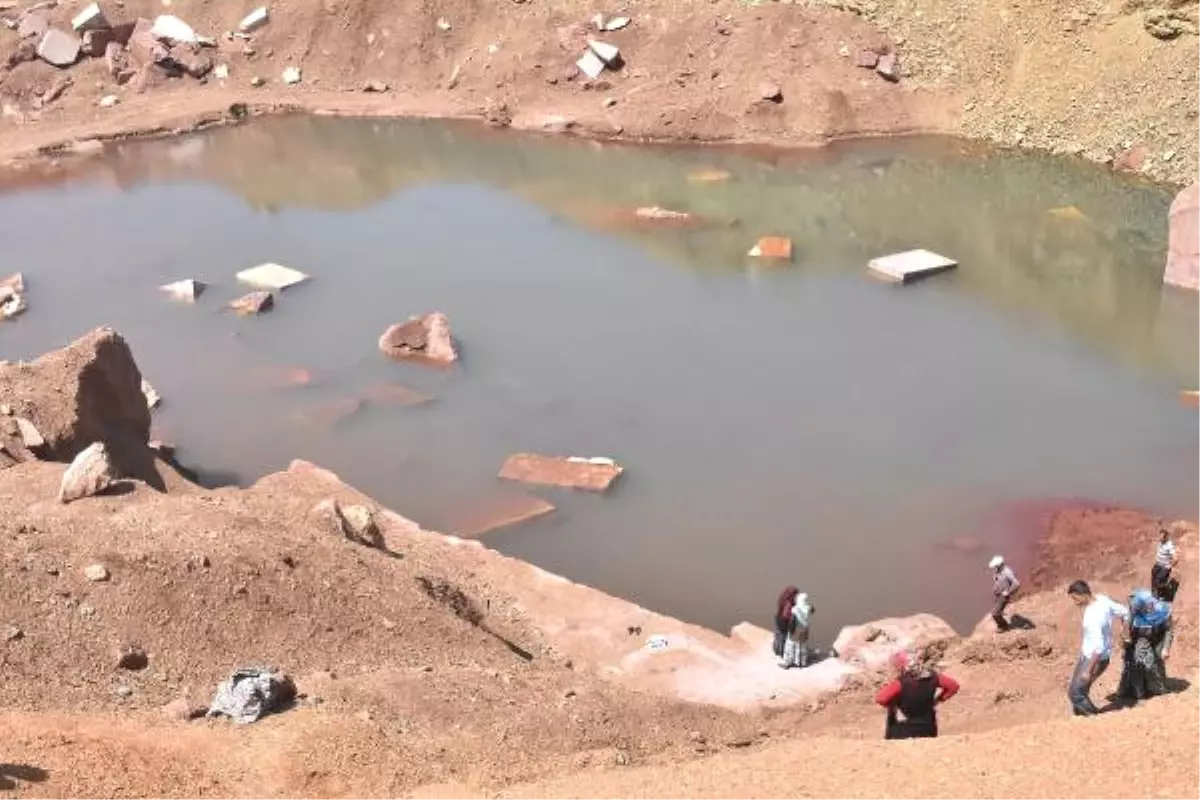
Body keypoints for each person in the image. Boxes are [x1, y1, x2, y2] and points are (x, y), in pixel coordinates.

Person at [1067, 580, 1129, 716]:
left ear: (1083, 595)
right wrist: (1124, 631)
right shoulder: (1102, 599)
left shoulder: (1092, 618)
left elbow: (1098, 647)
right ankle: (1080, 718)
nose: (1075, 602)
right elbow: (1125, 612)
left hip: (1094, 660)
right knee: (1079, 690)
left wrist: (1088, 670)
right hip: (1088, 656)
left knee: (1075, 693)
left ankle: (1094, 718)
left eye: (1075, 598)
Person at [875, 650, 960, 739]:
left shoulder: (900, 683)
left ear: (902, 667)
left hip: (903, 731)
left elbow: (881, 699)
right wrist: (938, 700)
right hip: (928, 728)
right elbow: (953, 686)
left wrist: (894, 705)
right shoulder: (933, 677)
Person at [1117, 588, 1174, 703]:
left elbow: (1169, 630)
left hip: (1158, 636)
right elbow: (1126, 632)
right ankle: (1138, 693)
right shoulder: (1132, 613)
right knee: (1137, 662)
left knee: (1157, 661)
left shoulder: (1162, 610)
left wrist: (1166, 648)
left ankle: (1158, 688)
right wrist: (1125, 647)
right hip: (1139, 638)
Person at [780, 592, 814, 669]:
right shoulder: (808, 607)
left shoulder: (795, 608)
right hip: (805, 629)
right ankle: (801, 663)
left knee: (790, 645)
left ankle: (788, 662)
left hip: (795, 629)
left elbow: (791, 618)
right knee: (802, 646)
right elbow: (813, 610)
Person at [989, 555, 1020, 632]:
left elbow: (1016, 583)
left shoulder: (1007, 572)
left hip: (1003, 596)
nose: (995, 567)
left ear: (999, 564)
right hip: (998, 595)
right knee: (998, 609)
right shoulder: (998, 571)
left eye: (996, 565)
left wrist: (1008, 592)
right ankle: (1001, 612)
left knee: (994, 614)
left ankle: (1003, 626)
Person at [1151, 527, 1180, 601]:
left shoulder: (1169, 546)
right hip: (1158, 564)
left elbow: (1176, 558)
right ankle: (1154, 594)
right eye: (1159, 536)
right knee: (1153, 576)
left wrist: (1169, 566)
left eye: (1161, 537)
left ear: (1165, 537)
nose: (1160, 538)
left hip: (1164, 567)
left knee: (1159, 580)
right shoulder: (1160, 542)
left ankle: (1162, 595)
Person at [773, 586, 799, 660]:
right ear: (792, 595)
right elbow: (786, 615)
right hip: (783, 622)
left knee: (778, 636)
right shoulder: (789, 603)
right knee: (783, 638)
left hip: (778, 617)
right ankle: (781, 653)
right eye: (795, 595)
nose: (795, 597)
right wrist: (792, 617)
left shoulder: (782, 598)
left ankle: (776, 649)